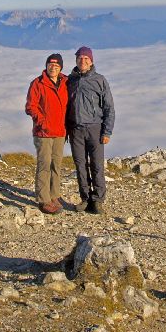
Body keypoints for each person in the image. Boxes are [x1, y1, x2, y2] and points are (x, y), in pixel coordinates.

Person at [65, 45, 114, 214]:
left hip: (95, 128)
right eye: (80, 58)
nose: (83, 61)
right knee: (80, 165)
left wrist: (107, 131)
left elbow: (109, 108)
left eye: (86, 59)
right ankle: (85, 198)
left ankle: (98, 200)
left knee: (97, 165)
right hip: (75, 129)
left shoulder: (100, 80)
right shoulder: (70, 80)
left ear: (91, 61)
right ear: (76, 60)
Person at [25, 53, 69, 214]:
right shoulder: (38, 83)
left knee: (56, 164)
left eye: (56, 66)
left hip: (60, 132)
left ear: (61, 68)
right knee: (44, 165)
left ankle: (54, 195)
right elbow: (31, 106)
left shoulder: (65, 82)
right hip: (43, 133)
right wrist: (43, 123)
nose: (53, 67)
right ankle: (44, 200)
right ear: (46, 66)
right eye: (50, 64)